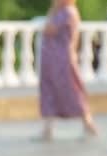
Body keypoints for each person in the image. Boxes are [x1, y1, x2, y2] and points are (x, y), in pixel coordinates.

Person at [37, 0, 98, 141]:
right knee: (50, 91)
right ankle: (48, 128)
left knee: (71, 90)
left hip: (61, 59)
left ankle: (88, 123)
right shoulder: (65, 12)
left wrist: (51, 11)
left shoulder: (67, 12)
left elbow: (49, 29)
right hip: (54, 59)